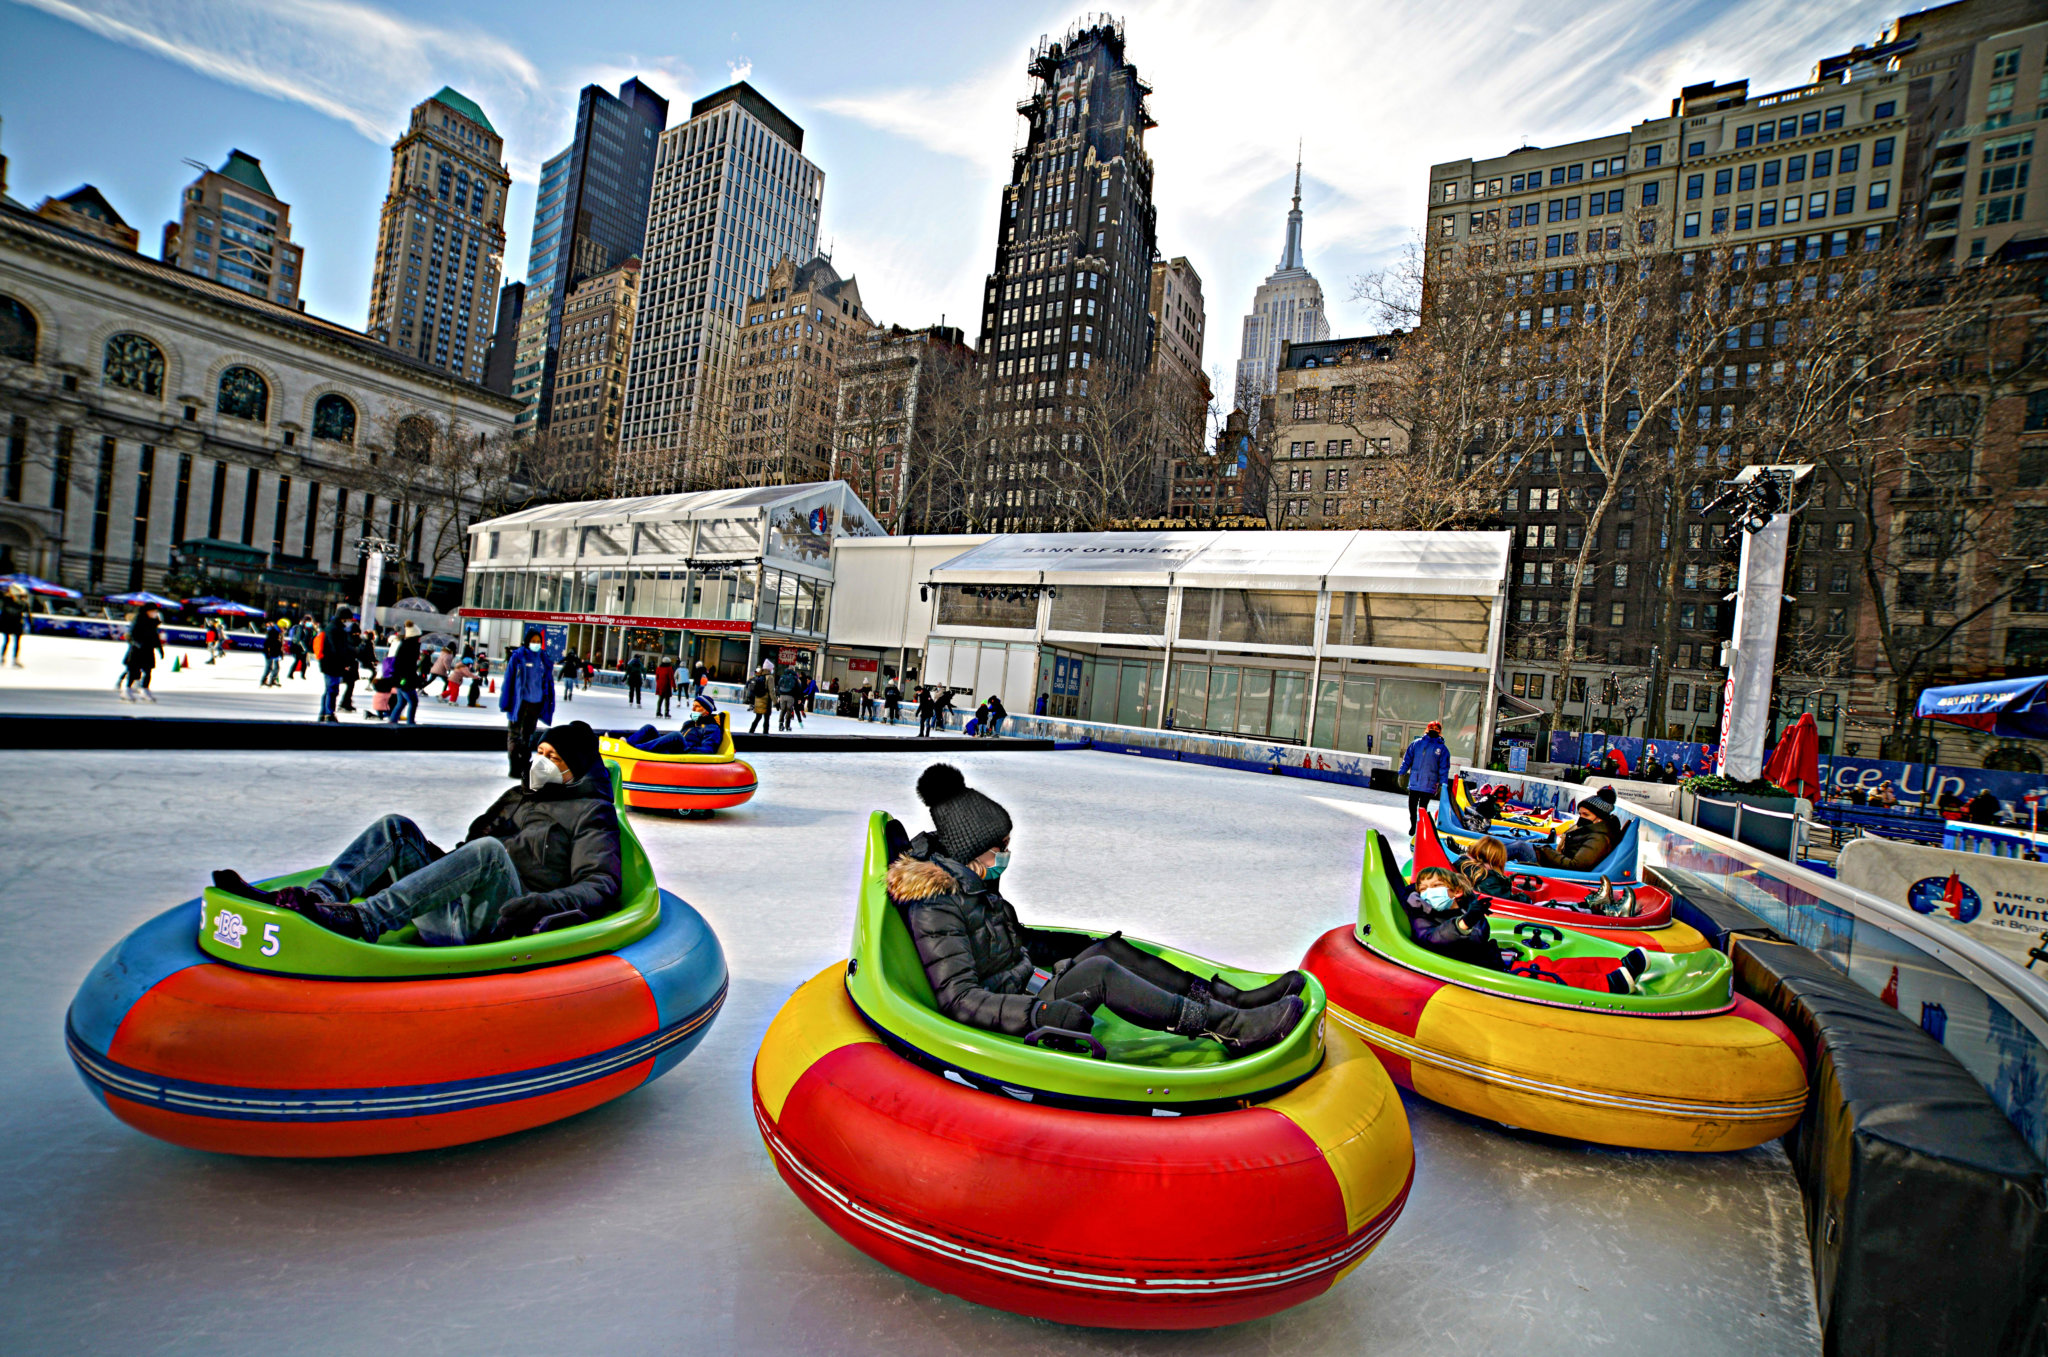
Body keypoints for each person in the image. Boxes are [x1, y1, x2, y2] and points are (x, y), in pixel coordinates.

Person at [888, 764, 1307, 1055]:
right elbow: (960, 998)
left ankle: (1231, 1001)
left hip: (1031, 984)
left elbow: (1017, 940)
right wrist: (1039, 1012)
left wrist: (1083, 945)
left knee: (1109, 951)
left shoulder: (974, 882)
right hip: (1021, 1007)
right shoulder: (937, 904)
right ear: (974, 849)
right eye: (1002, 847)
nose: (1007, 855)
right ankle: (1230, 1028)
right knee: (1100, 972)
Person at [212, 721, 620, 945]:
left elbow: (601, 882)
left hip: (502, 920)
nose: (541, 762)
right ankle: (318, 899)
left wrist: (541, 904)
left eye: (553, 757)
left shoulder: (591, 811)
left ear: (575, 767)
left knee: (489, 852)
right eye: (540, 753)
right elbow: (464, 854)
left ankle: (363, 920)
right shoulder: (518, 796)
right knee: (397, 828)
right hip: (458, 908)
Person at [1395, 861, 1646, 994]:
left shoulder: (1463, 907)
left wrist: (1472, 914)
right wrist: (1465, 922)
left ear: (1456, 892)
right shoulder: (1423, 914)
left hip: (1492, 960)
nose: (1428, 893)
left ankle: (1615, 964)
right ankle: (1609, 984)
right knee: (1545, 978)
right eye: (1423, 889)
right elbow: (1433, 938)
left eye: (1435, 886)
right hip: (1484, 972)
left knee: (1548, 964)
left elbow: (1480, 935)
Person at [1504, 786, 1623, 872]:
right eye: (1580, 814)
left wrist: (1546, 851)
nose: (1581, 818)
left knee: (1519, 847)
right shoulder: (1591, 830)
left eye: (1586, 815)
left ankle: (1491, 862)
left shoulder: (1599, 838)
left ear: (1600, 818)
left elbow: (1575, 866)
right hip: (1553, 864)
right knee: (1519, 845)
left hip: (1554, 869)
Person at [499, 629, 556, 779]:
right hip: (520, 703)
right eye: (533, 641)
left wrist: (548, 702)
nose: (536, 644)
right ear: (527, 642)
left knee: (528, 735)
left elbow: (547, 682)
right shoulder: (518, 657)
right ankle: (514, 766)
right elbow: (509, 680)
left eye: (538, 642)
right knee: (515, 734)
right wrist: (506, 702)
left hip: (536, 703)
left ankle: (524, 765)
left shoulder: (543, 659)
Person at [1398, 720, 1452, 835]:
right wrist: (1402, 773)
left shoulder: (1442, 749)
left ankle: (1420, 826)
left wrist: (1443, 784)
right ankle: (1413, 825)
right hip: (1415, 782)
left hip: (1429, 783)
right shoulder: (1416, 744)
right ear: (1427, 729)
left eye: (1436, 729)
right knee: (1412, 806)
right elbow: (1407, 760)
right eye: (1432, 728)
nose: (1434, 730)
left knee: (1422, 808)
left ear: (1440, 732)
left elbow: (1444, 768)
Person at [625, 693, 724, 755]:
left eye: (697, 707)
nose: (693, 709)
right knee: (649, 728)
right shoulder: (689, 724)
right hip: (673, 751)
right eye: (693, 706)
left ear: (706, 711)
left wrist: (687, 748)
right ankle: (626, 743)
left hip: (685, 754)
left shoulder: (712, 728)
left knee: (676, 736)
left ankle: (635, 750)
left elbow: (708, 750)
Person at [118, 602, 165, 702]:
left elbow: (155, 636)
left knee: (148, 670)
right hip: (137, 650)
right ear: (147, 611)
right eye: (153, 611)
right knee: (133, 671)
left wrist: (160, 648)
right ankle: (127, 689)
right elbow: (131, 635)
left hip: (148, 649)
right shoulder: (138, 620)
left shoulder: (153, 622)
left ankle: (144, 689)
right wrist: (137, 643)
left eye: (155, 611)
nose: (155, 613)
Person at [317, 604, 356, 723]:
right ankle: (329, 713)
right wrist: (345, 662)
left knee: (329, 689)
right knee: (332, 689)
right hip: (332, 664)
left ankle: (324, 713)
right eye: (348, 619)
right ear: (343, 618)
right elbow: (337, 649)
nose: (349, 622)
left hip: (329, 663)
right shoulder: (335, 629)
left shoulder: (334, 628)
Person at [390, 621, 423, 725]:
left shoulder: (405, 645)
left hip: (401, 678)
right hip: (405, 679)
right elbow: (408, 665)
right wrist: (404, 679)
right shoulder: (411, 646)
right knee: (413, 701)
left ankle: (393, 721)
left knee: (402, 702)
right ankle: (410, 723)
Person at [0, 582, 27, 667]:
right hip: (8, 622)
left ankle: (15, 659)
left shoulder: (20, 601)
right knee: (7, 640)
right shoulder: (7, 599)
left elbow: (23, 609)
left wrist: (22, 600)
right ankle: (3, 657)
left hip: (16, 623)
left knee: (16, 642)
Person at [745, 661, 773, 735]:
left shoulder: (756, 678)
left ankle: (751, 731)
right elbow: (771, 691)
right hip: (765, 701)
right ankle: (765, 733)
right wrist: (776, 702)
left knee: (758, 717)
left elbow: (747, 686)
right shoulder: (768, 677)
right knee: (766, 719)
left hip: (758, 700)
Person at [775, 661, 801, 731]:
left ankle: (780, 725)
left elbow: (778, 686)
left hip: (782, 696)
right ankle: (787, 726)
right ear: (794, 670)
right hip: (790, 696)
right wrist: (798, 698)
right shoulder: (795, 678)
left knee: (783, 710)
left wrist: (778, 695)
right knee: (789, 710)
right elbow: (798, 688)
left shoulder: (783, 676)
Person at [260, 619, 284, 686]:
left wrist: (281, 653)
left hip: (275, 653)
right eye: (284, 628)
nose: (284, 630)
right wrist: (267, 652)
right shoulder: (273, 632)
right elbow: (267, 643)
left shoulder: (280, 633)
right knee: (269, 668)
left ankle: (273, 680)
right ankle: (263, 681)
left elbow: (280, 644)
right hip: (270, 652)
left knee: (277, 668)